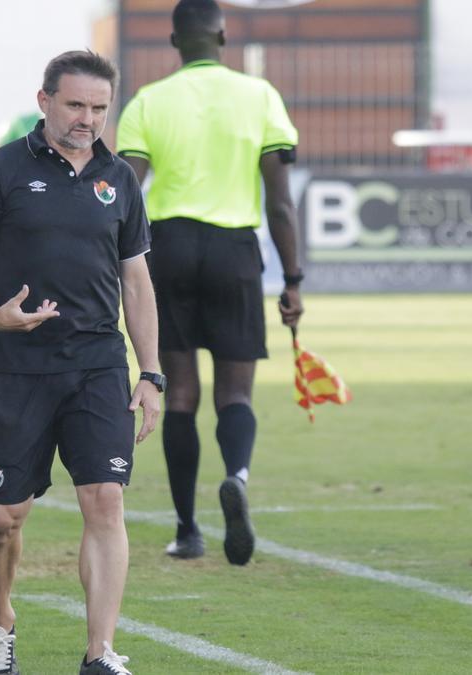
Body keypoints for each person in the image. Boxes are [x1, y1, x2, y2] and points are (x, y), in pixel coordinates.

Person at [0, 50, 162, 675]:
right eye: (75, 105)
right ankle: (0, 620)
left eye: (99, 108)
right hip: (17, 366)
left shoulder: (119, 178)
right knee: (2, 519)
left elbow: (138, 283)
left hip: (99, 365)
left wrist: (150, 373)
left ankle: (100, 652)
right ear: (44, 101)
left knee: (105, 501)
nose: (87, 119)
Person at [116, 0, 304, 566]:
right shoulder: (261, 95)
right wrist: (292, 281)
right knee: (235, 394)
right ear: (223, 35)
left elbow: (126, 196)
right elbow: (281, 203)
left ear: (175, 41)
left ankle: (187, 529)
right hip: (234, 250)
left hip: (168, 250)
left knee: (180, 394)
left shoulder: (148, 100)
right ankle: (237, 476)